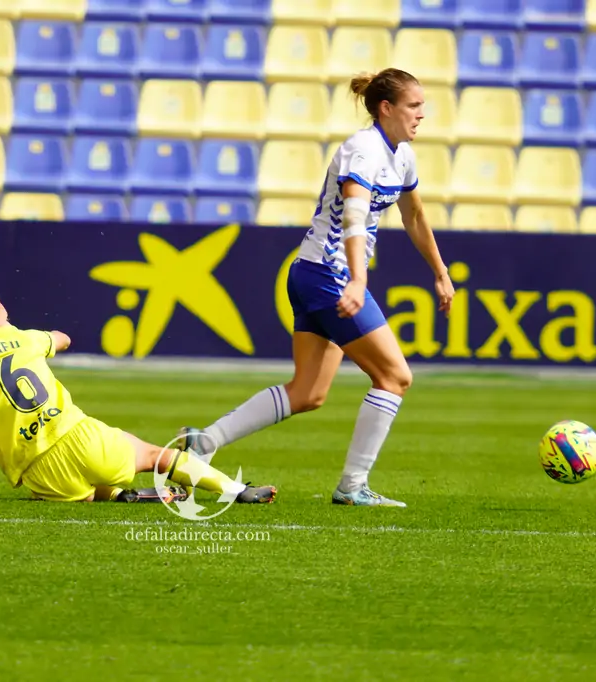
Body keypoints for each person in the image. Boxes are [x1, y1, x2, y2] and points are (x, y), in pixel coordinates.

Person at [180, 69, 455, 508]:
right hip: (330, 275)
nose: (423, 114)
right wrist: (358, 279)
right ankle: (353, 486)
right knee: (395, 376)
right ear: (386, 108)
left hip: (315, 272)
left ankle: (204, 443)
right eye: (414, 106)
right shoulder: (362, 151)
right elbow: (352, 216)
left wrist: (440, 271)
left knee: (308, 392)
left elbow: (415, 217)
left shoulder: (400, 155)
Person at [0, 288, 277, 505]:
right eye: (5, 316)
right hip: (78, 438)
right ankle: (236, 490)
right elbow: (62, 338)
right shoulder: (20, 338)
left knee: (88, 491)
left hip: (40, 475)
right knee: (155, 455)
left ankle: (125, 497)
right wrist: (47, 339)